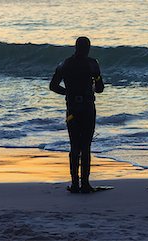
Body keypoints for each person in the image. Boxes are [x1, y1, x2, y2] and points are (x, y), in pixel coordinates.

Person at [50, 37, 104, 193]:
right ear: (88, 48)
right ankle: (85, 184)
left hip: (72, 110)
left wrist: (68, 93)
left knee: (74, 145)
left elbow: (53, 86)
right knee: (86, 146)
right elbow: (100, 88)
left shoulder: (64, 64)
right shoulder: (93, 64)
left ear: (75, 47)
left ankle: (75, 184)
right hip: (87, 109)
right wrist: (95, 78)